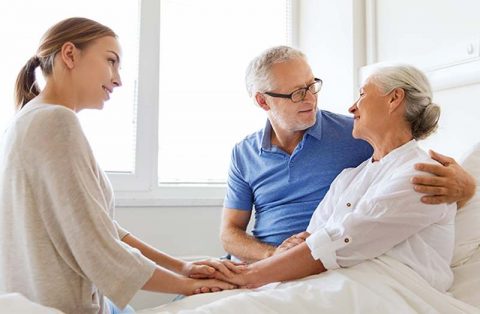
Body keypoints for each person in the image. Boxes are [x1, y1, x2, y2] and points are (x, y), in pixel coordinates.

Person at [0, 17, 240, 314]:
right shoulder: (56, 122)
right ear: (70, 54)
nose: (118, 79)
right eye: (111, 61)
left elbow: (97, 224)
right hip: (65, 305)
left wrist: (182, 267)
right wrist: (186, 285)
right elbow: (94, 244)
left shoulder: (26, 119)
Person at [220, 46, 476, 263]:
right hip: (263, 261)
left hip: (315, 263)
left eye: (311, 86)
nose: (310, 99)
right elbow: (230, 233)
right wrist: (272, 256)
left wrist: (467, 187)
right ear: (263, 102)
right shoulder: (244, 154)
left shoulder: (356, 133)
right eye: (297, 93)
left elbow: (407, 158)